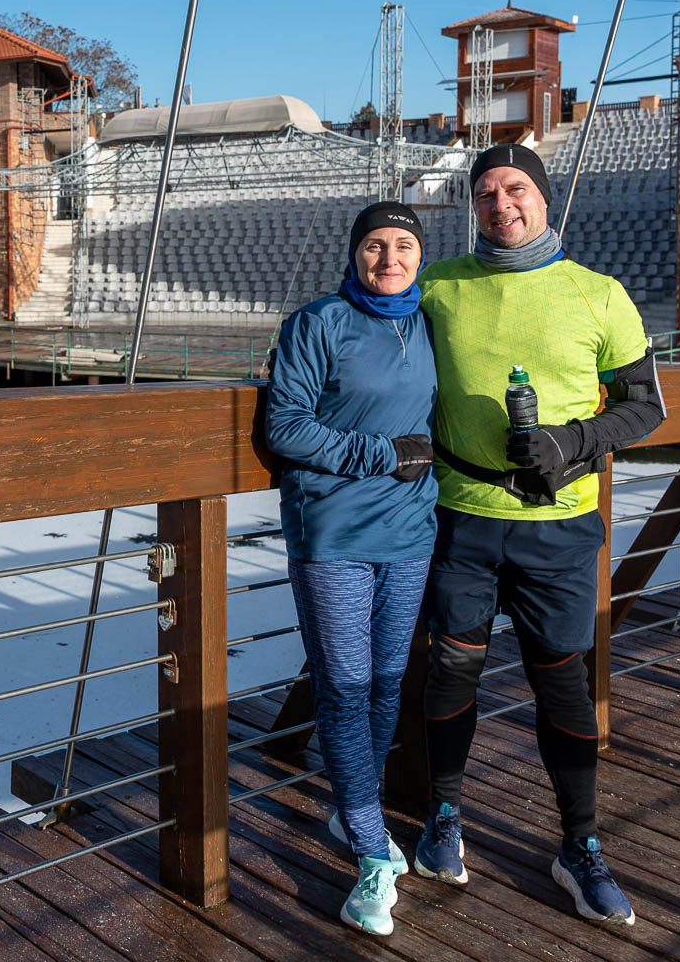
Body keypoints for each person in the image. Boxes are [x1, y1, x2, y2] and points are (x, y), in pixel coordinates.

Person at [413, 145, 665, 926]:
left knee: (561, 683)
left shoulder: (598, 293)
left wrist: (570, 440)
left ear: (543, 198)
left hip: (557, 525)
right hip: (460, 518)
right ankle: (443, 817)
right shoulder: (437, 286)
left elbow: (645, 406)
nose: (500, 204)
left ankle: (579, 845)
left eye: (515, 188)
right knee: (451, 673)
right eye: (485, 193)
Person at [265, 201, 438, 937]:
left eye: (402, 245)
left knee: (387, 682)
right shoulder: (318, 323)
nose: (388, 258)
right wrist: (381, 455)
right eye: (374, 245)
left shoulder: (431, 322)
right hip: (333, 530)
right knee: (343, 686)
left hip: (411, 530)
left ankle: (354, 811)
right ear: (354, 253)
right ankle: (371, 850)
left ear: (421, 255)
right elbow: (285, 427)